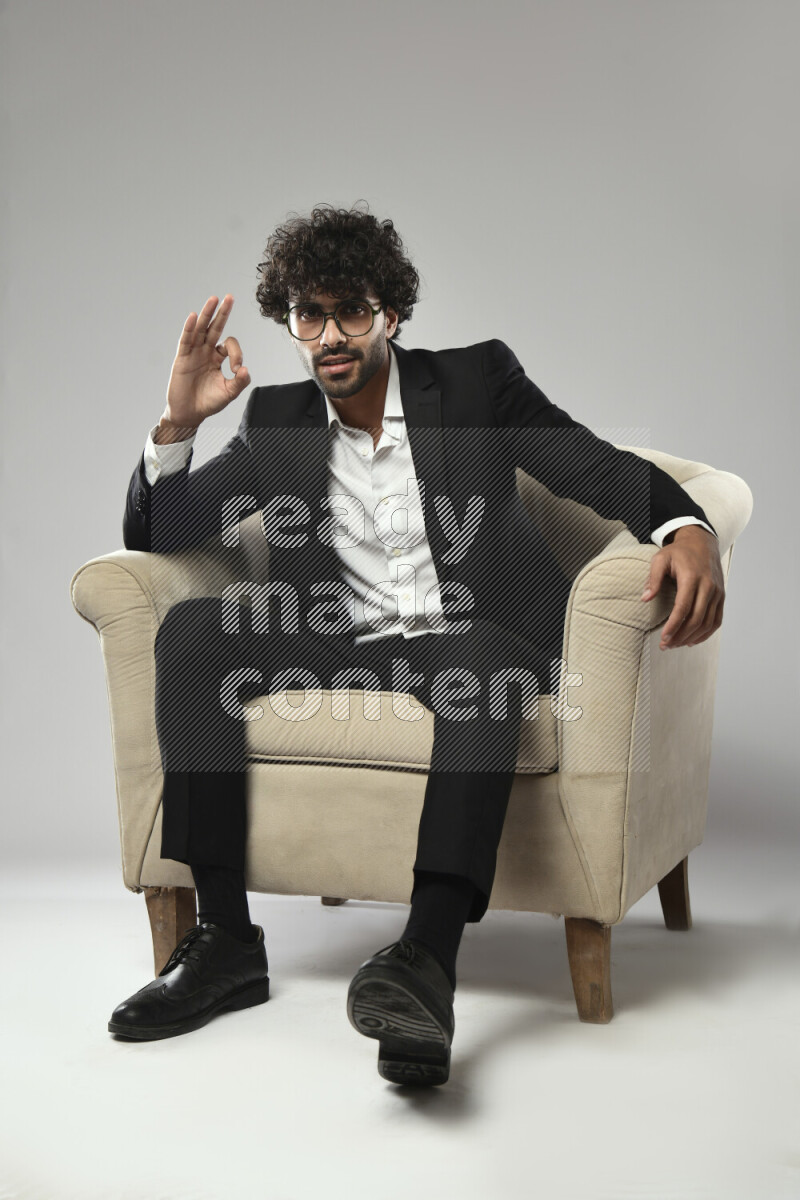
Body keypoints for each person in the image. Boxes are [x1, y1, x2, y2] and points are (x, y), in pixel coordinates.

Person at [109, 202, 725, 1085]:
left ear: (390, 313)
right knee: (195, 632)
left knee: (482, 665)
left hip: (468, 639)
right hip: (339, 639)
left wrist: (683, 523)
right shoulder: (277, 421)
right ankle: (224, 943)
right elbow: (162, 530)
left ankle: (425, 962)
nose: (330, 334)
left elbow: (590, 464)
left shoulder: (474, 385)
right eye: (309, 315)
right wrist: (178, 426)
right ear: (290, 324)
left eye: (351, 310)